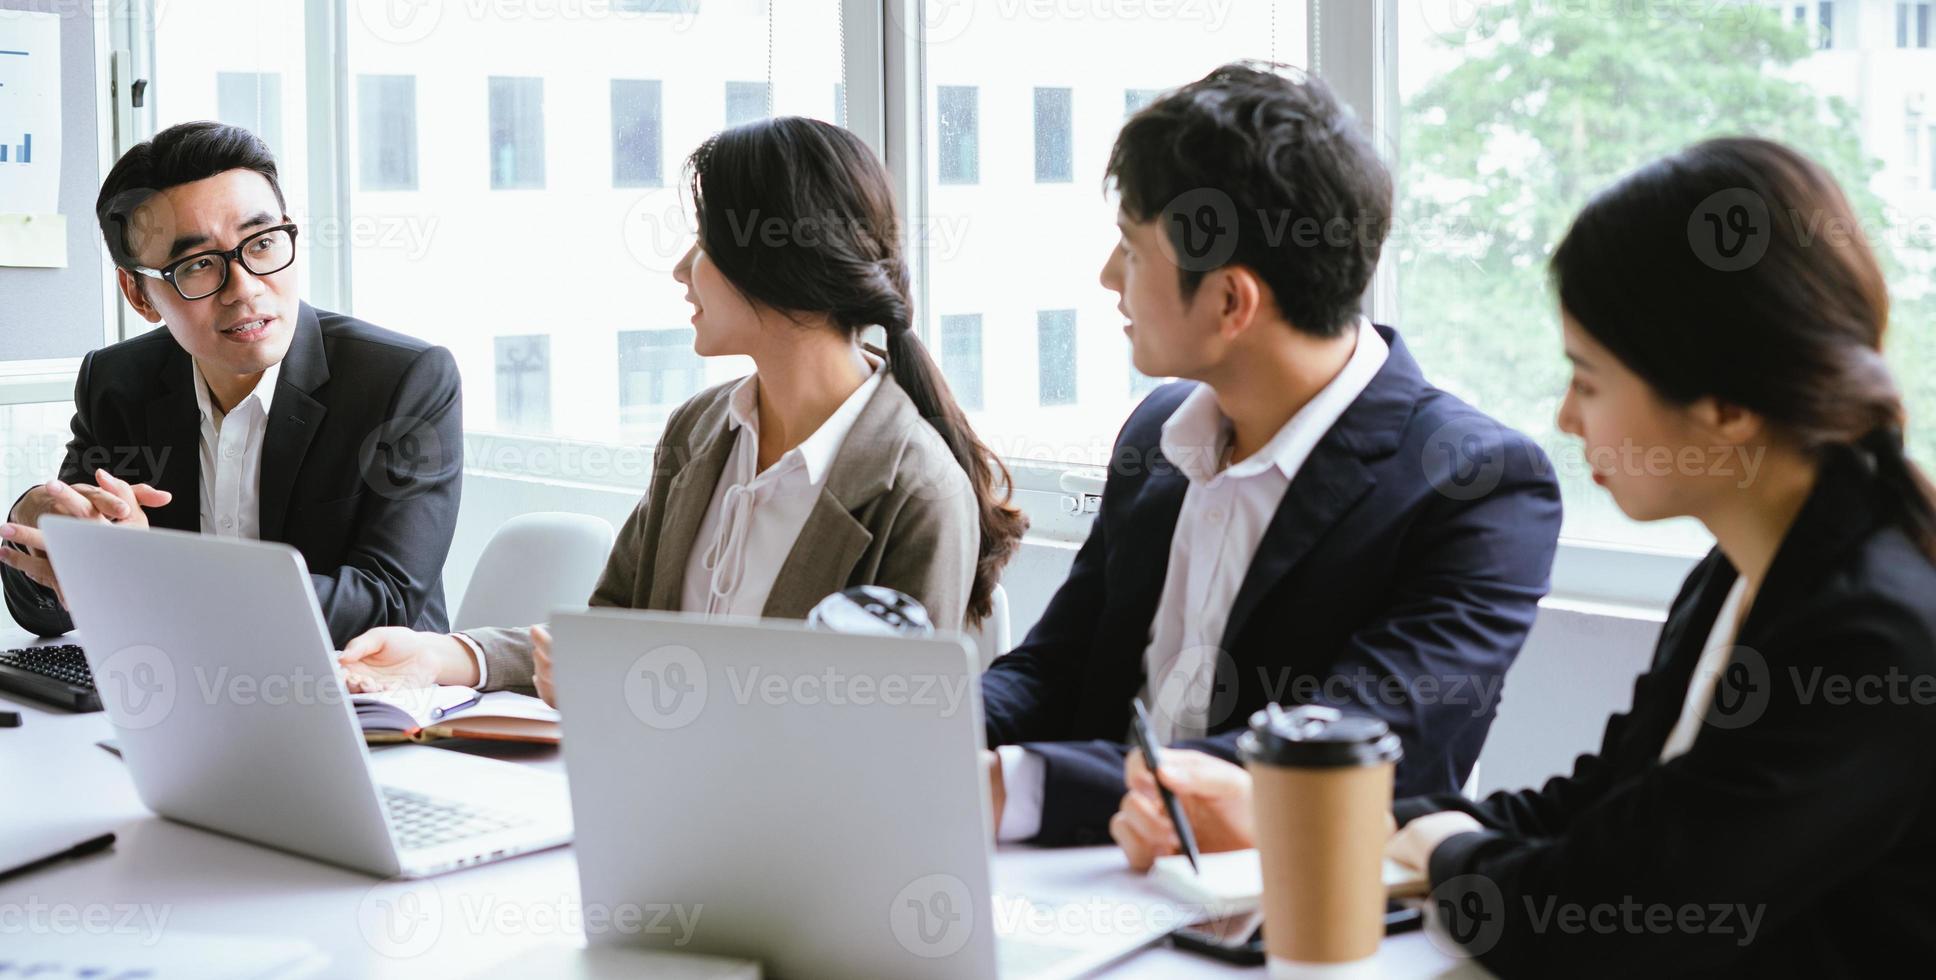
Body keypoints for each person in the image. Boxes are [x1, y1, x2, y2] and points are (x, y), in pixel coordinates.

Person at [1107, 138, 1936, 975]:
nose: (1568, 419)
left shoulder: (1871, 631)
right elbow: (1604, 808)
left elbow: (1606, 922)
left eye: (1588, 378)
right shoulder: (1738, 575)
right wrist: (1387, 827)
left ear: (1724, 404)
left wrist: (1435, 848)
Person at [978, 63, 1563, 848]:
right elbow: (1055, 670)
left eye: (1132, 249)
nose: (1108, 276)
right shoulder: (1157, 434)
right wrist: (933, 736)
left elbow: (1335, 762)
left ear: (1229, 302)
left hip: (1295, 923)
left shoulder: (1476, 485)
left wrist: (1019, 786)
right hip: (1082, 883)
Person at [338, 116, 1026, 703]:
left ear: (776, 262)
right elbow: (612, 630)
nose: (680, 270)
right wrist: (449, 659)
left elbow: (889, 741)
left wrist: (643, 698)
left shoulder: (916, 489)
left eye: (704, 244)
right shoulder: (699, 431)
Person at [0, 121, 462, 647]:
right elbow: (52, 613)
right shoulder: (119, 383)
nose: (244, 290)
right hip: (177, 692)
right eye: (198, 265)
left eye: (262, 243)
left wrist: (158, 578)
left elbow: (388, 607)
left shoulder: (402, 380)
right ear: (140, 294)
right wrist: (35, 519)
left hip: (368, 705)